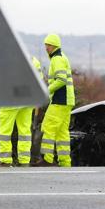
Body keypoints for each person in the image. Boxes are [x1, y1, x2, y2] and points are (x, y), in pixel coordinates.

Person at [0, 56, 44, 166]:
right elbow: (39, 81)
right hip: (28, 102)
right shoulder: (34, 61)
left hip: (10, 101)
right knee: (25, 132)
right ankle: (24, 161)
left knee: (5, 132)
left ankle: (5, 161)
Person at [39, 33, 75, 167]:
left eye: (48, 45)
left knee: (49, 126)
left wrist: (46, 90)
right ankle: (65, 162)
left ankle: (47, 160)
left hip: (61, 99)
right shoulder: (61, 57)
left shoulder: (57, 59)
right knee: (62, 133)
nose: (46, 48)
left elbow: (61, 80)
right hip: (67, 100)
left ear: (54, 46)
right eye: (45, 45)